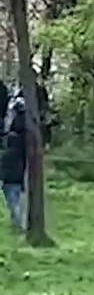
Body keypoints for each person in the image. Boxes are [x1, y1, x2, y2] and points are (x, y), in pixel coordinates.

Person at [1, 98, 26, 231]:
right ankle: (18, 223)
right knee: (17, 202)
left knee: (13, 203)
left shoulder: (7, 155)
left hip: (10, 181)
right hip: (19, 178)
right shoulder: (20, 153)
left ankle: (17, 223)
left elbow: (3, 168)